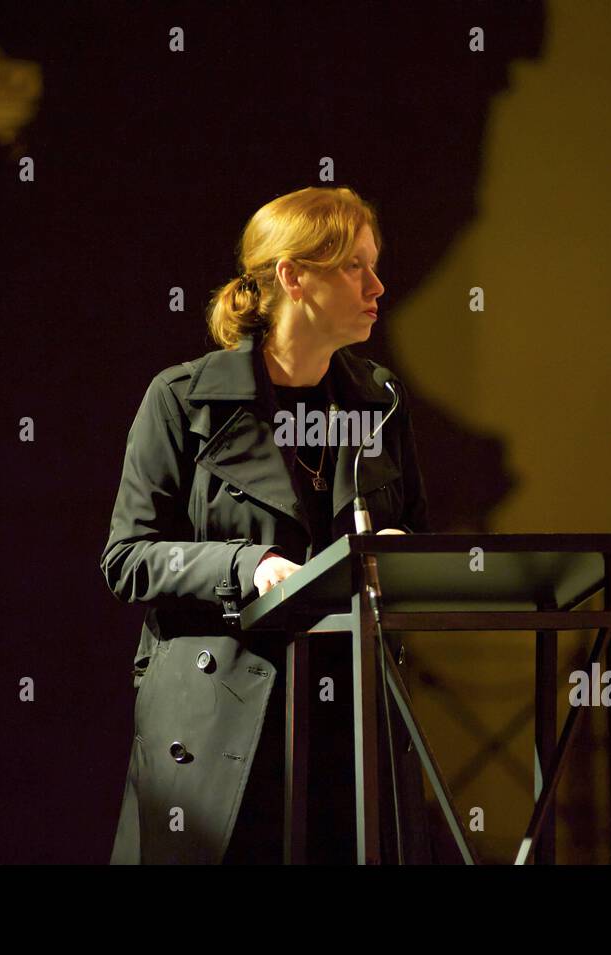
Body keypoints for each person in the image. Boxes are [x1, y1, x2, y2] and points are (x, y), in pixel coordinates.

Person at [102, 185, 433, 864]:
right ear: (293, 276)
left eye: (373, 265)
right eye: (353, 267)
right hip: (219, 711)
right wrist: (244, 564)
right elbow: (127, 558)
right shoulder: (182, 399)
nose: (377, 284)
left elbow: (419, 538)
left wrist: (400, 556)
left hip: (350, 716)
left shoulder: (380, 399)